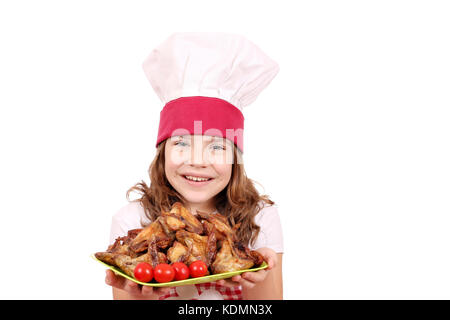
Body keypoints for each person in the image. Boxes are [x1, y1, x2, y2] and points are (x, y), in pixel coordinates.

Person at [103, 32, 283, 300]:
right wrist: (144, 294)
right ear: (162, 153)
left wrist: (260, 273)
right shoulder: (132, 220)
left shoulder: (260, 218)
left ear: (236, 160)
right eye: (182, 144)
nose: (198, 161)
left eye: (217, 147)